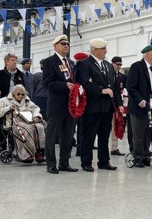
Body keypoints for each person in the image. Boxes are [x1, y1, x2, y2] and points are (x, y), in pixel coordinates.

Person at [76, 38, 123, 172]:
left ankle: (104, 161)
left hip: (107, 107)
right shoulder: (84, 64)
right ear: (95, 50)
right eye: (103, 49)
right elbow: (84, 83)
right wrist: (101, 90)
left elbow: (114, 87)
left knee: (104, 136)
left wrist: (118, 104)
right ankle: (86, 162)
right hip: (92, 107)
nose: (105, 51)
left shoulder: (108, 65)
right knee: (89, 136)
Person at [126, 44, 152, 168]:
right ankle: (137, 156)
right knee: (138, 133)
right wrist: (139, 99)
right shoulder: (137, 66)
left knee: (148, 132)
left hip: (151, 105)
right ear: (148, 53)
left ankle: (145, 155)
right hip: (139, 105)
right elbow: (131, 86)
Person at [42, 35, 78, 174]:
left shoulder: (70, 62)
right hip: (57, 104)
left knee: (67, 135)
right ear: (55, 46)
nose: (66, 46)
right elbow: (48, 83)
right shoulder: (50, 62)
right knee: (51, 135)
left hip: (70, 105)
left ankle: (64, 162)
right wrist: (65, 85)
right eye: (63, 43)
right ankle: (51, 163)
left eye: (68, 44)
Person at [0, 84, 45, 163]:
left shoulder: (27, 100)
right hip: (13, 121)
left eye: (22, 94)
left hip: (28, 120)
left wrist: (36, 116)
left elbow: (36, 108)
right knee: (28, 129)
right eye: (18, 94)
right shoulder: (4, 100)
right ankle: (27, 154)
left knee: (40, 127)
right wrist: (9, 108)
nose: (20, 96)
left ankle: (39, 153)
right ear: (13, 94)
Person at [110, 56, 127, 156]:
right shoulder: (108, 74)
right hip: (108, 104)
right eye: (117, 64)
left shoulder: (122, 76)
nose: (119, 66)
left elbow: (123, 89)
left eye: (121, 64)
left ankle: (114, 148)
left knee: (115, 126)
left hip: (117, 104)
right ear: (112, 63)